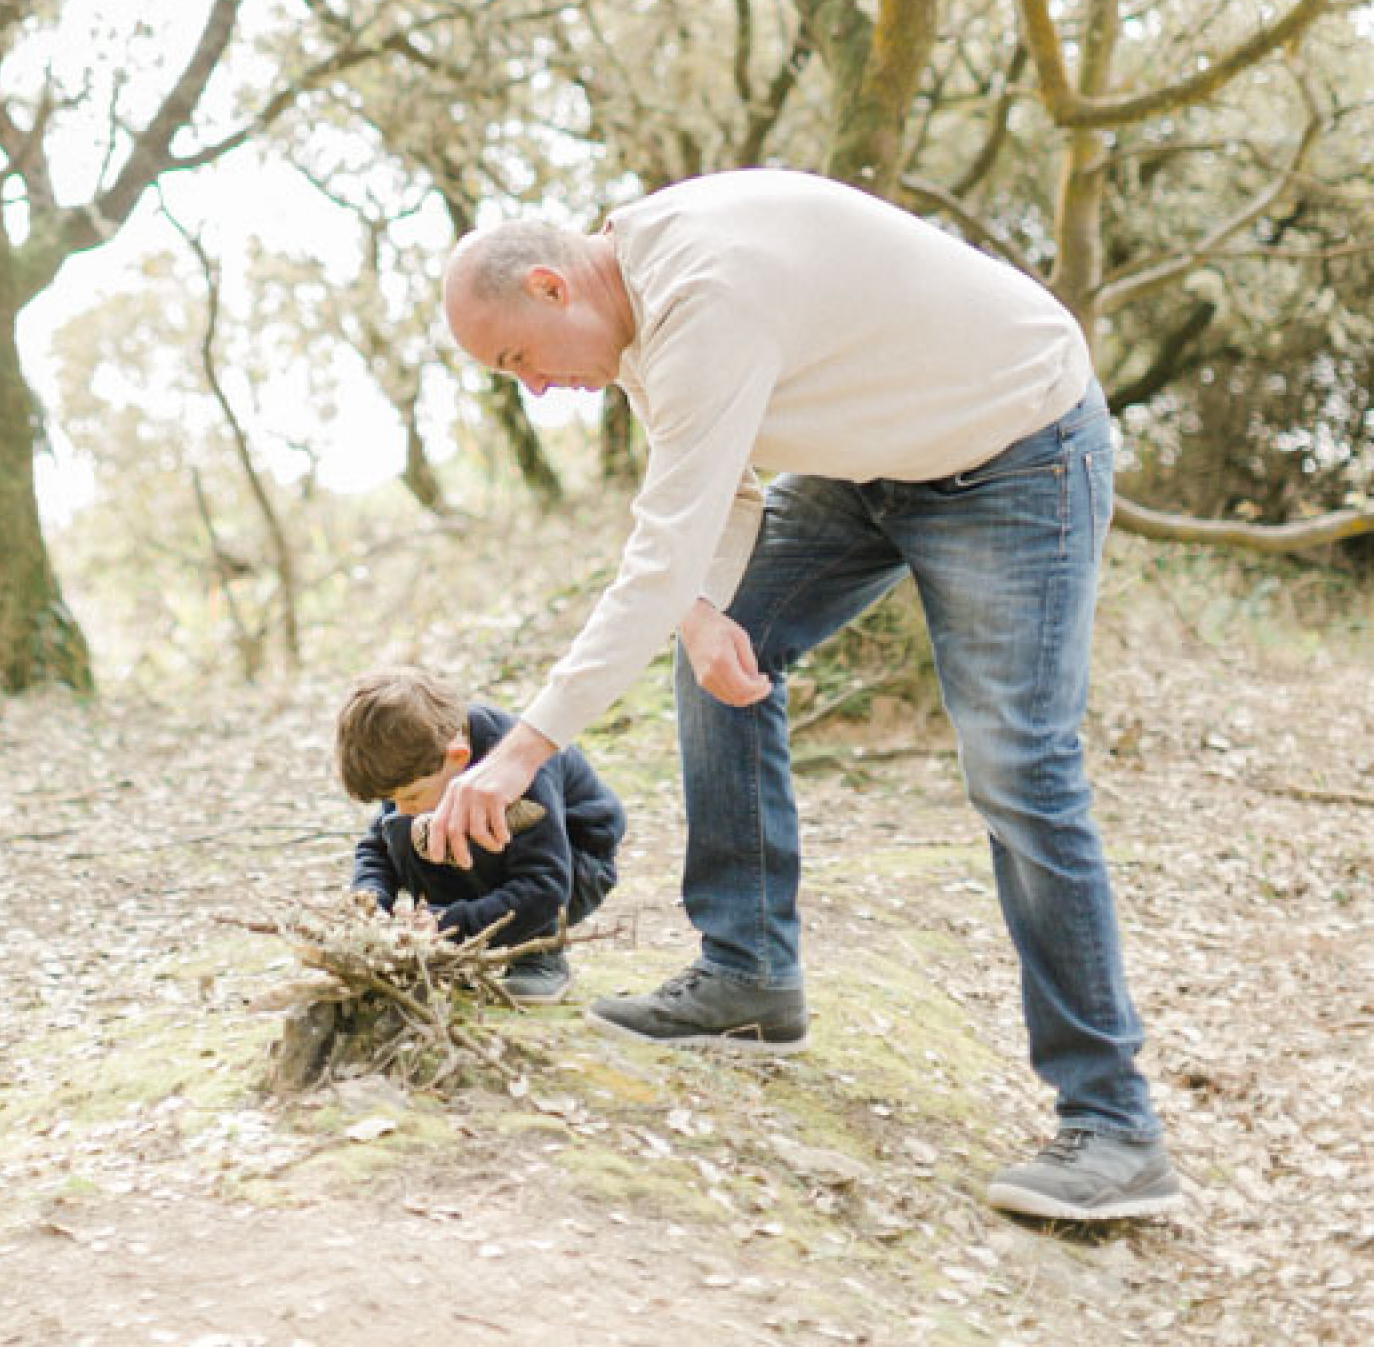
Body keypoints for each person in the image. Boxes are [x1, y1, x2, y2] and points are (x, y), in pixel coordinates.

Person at [428, 167, 1179, 1224]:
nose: (536, 390)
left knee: (1020, 769)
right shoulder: (633, 302)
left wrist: (524, 750)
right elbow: (713, 499)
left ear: (554, 288)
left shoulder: (703, 293)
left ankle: (1115, 1125)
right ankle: (749, 974)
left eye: (518, 360)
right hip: (869, 463)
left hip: (1017, 451)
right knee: (719, 641)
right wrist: (701, 609)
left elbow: (658, 556)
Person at [336, 663, 626, 1002]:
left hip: (573, 868)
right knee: (402, 828)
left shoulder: (522, 764)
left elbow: (546, 886)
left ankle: (537, 957)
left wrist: (452, 924)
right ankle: (450, 945)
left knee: (454, 825)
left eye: (411, 796)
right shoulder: (418, 761)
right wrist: (370, 898)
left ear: (457, 757)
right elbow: (377, 846)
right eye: (393, 799)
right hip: (496, 859)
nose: (402, 808)